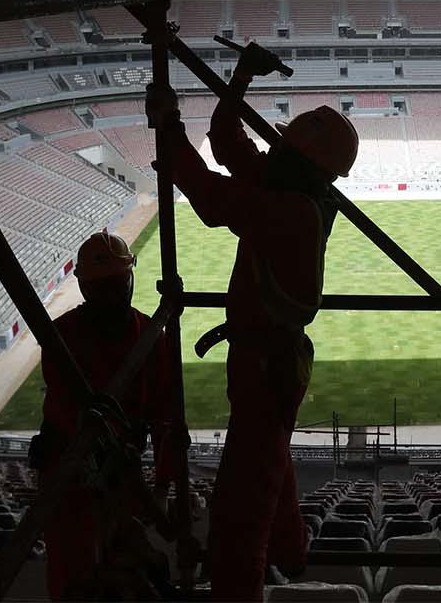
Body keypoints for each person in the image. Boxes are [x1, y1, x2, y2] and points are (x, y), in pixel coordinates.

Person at [165, 43, 359, 602]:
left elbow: (207, 196)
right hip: (269, 360)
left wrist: (170, 129)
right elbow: (228, 142)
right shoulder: (292, 190)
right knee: (269, 460)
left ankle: (239, 590)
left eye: (282, 145)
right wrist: (242, 76)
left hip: (265, 363)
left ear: (299, 161)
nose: (269, 150)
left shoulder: (288, 209)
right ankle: (292, 553)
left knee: (241, 503)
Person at [33, 229, 180, 601]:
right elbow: (76, 416)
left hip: (112, 473)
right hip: (72, 471)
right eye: (104, 287)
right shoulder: (63, 338)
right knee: (76, 576)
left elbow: (167, 419)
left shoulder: (148, 337)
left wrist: (161, 489)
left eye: (116, 284)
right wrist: (155, 494)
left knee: (121, 570)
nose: (112, 295)